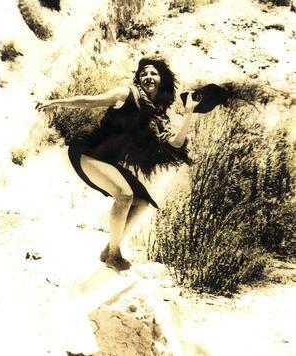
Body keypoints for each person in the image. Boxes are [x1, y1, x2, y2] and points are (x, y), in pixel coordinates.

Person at [36, 57, 199, 272]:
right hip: (87, 150)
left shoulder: (157, 114)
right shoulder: (126, 94)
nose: (147, 77)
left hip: (106, 160)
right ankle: (114, 255)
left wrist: (189, 112)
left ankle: (109, 249)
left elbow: (176, 142)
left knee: (141, 201)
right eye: (143, 73)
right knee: (124, 196)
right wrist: (55, 102)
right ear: (138, 78)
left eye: (153, 73)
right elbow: (90, 101)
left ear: (162, 80)